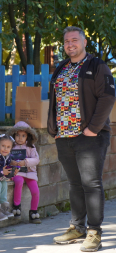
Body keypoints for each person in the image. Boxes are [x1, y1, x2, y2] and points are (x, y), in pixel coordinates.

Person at [48, 26, 115, 252]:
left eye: (74, 40)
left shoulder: (97, 66)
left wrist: (93, 129)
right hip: (64, 136)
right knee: (75, 184)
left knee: (91, 183)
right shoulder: (61, 68)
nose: (70, 44)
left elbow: (107, 97)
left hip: (89, 137)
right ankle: (77, 227)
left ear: (84, 42)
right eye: (66, 41)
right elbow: (56, 101)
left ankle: (94, 232)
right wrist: (54, 129)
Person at [6, 121, 41, 224]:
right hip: (17, 173)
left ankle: (33, 211)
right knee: (19, 182)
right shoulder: (11, 146)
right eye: (17, 135)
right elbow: (5, 157)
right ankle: (17, 206)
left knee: (35, 191)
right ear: (13, 135)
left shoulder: (31, 147)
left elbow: (36, 160)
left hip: (30, 173)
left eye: (23, 135)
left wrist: (25, 162)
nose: (20, 138)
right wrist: (11, 162)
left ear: (28, 136)